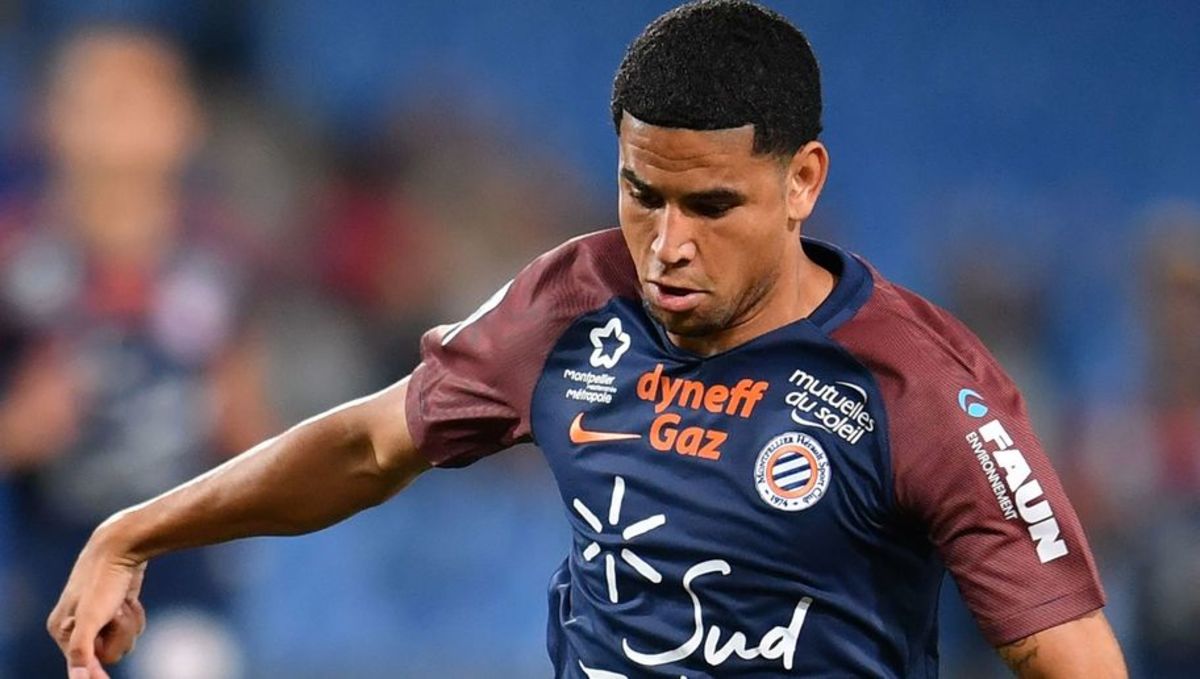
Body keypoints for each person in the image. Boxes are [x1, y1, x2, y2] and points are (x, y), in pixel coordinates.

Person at [48, 2, 1127, 677]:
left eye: (711, 206)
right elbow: (369, 445)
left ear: (802, 182)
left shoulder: (920, 384)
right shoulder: (573, 303)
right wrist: (134, 533)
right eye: (641, 193)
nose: (667, 244)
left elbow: (1072, 657)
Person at [1, 24, 269, 678]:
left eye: (136, 98)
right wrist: (24, 426)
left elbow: (257, 433)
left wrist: (231, 423)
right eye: (97, 100)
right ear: (51, 120)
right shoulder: (14, 264)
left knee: (187, 662)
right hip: (40, 563)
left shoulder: (221, 263)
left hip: (175, 560)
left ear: (184, 122)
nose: (117, 120)